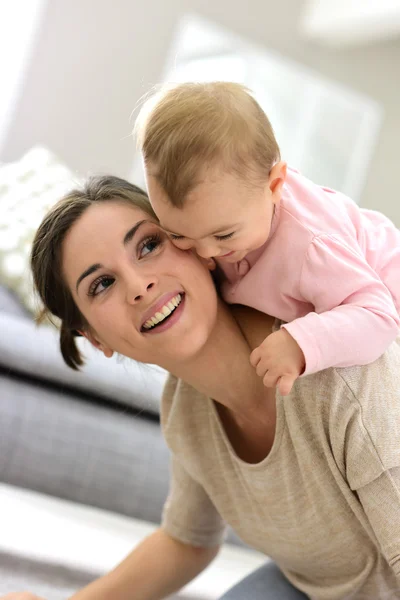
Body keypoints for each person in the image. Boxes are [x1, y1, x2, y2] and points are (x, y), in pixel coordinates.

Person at [5, 175, 400, 600]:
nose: (139, 287)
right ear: (96, 338)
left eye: (148, 246)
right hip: (321, 586)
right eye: (102, 284)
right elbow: (187, 540)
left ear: (197, 247)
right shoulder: (185, 408)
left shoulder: (339, 374)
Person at [135, 81, 400, 396]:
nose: (207, 251)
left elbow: (378, 317)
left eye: (224, 234)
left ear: (275, 186)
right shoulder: (229, 216)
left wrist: (302, 342)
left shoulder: (310, 244)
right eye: (178, 234)